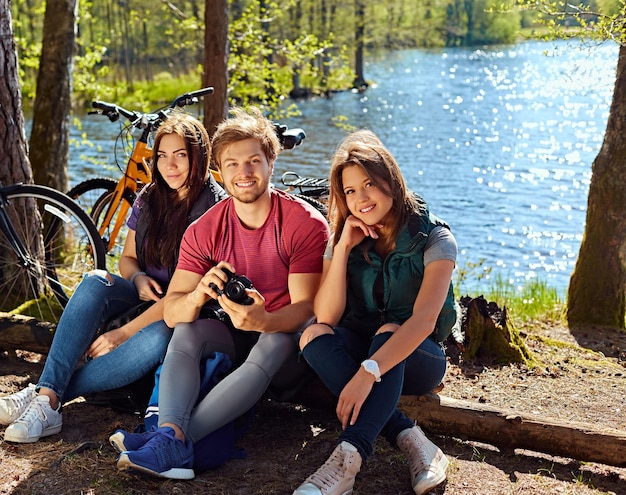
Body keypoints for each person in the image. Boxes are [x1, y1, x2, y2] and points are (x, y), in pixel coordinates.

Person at [109, 106, 330, 480]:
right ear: (220, 171)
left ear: (271, 162)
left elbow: (308, 308)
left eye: (253, 162)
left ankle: (168, 443)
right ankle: (170, 436)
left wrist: (266, 319)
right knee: (189, 329)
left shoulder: (302, 223)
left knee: (273, 342)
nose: (243, 174)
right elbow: (174, 309)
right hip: (233, 335)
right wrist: (197, 296)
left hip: (288, 351)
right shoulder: (205, 228)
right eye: (232, 164)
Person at [0, 111, 226, 443]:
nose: (171, 165)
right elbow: (128, 259)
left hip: (187, 309)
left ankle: (46, 394)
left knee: (162, 335)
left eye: (181, 155)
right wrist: (136, 280)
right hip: (148, 294)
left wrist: (122, 333)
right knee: (95, 279)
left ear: (199, 156)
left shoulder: (213, 208)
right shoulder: (150, 197)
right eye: (162, 156)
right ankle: (47, 396)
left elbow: (182, 294)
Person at [292, 129, 458, 495]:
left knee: (389, 331)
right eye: (350, 191)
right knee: (312, 337)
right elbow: (327, 318)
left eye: (368, 184)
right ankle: (411, 437)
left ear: (390, 179)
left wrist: (368, 371)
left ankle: (347, 460)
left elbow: (423, 322)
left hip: (419, 356)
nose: (360, 198)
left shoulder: (435, 239)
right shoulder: (344, 236)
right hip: (364, 350)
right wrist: (342, 248)